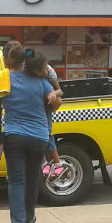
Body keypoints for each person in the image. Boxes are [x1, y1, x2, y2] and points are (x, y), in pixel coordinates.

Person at [0, 42, 61, 223]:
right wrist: (52, 96)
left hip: (15, 137)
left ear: (5, 61)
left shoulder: (2, 80)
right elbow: (55, 103)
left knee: (16, 180)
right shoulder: (39, 80)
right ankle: (29, 218)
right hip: (39, 137)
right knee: (32, 178)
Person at [23, 50, 69, 182]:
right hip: (34, 105)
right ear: (33, 72)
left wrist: (54, 94)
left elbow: (60, 91)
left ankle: (57, 163)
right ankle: (44, 163)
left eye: (45, 67)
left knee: (47, 133)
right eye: (40, 71)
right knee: (39, 135)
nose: (44, 72)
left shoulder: (50, 72)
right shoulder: (25, 73)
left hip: (46, 105)